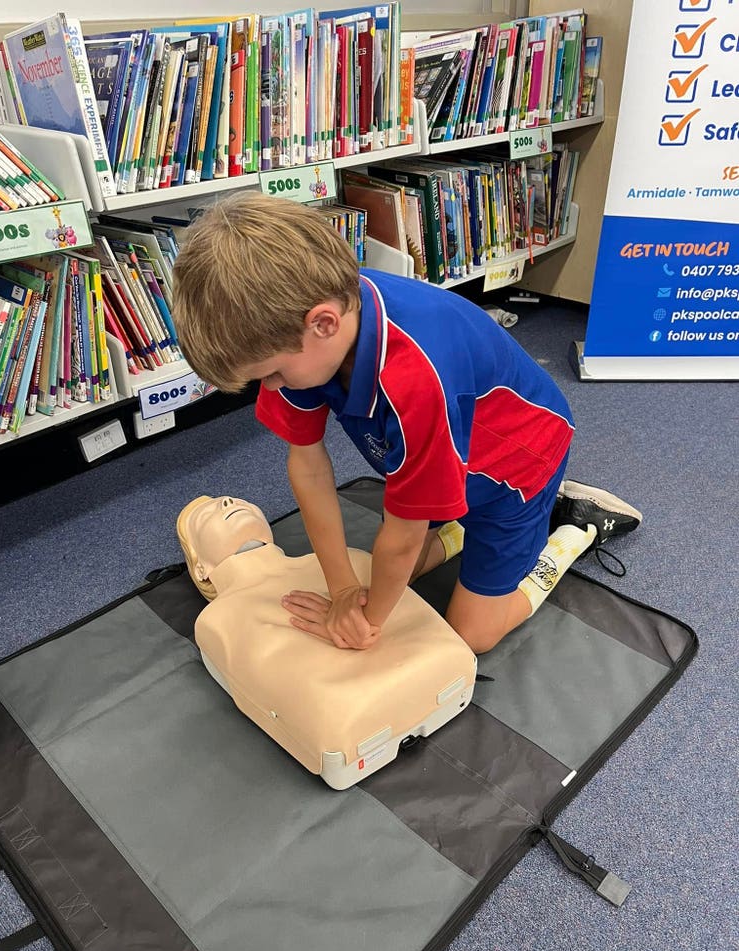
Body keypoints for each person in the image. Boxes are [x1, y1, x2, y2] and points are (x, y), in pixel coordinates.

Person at [172, 193, 641, 655]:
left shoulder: (414, 377)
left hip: (518, 465)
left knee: (470, 634)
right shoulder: (303, 324)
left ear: (324, 324)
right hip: (446, 450)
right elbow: (307, 463)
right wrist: (341, 592)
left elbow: (402, 535)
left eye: (271, 374)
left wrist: (365, 622)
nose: (271, 388)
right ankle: (462, 521)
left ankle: (575, 528)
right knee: (393, 571)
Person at [175, 494, 477, 787]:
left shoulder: (346, 560)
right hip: (359, 718)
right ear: (201, 569)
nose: (229, 502)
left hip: (382, 706)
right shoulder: (217, 620)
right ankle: (459, 535)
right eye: (208, 515)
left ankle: (465, 535)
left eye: (237, 499)